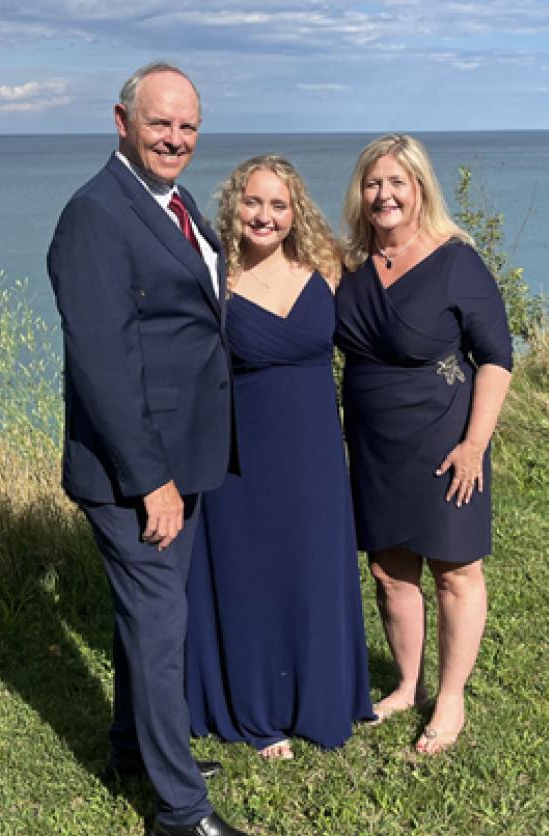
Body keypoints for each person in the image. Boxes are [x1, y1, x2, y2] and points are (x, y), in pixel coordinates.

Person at [46, 61, 251, 836]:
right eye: (161, 123)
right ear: (122, 121)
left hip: (178, 454)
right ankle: (180, 812)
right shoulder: (95, 215)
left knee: (150, 620)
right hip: (138, 472)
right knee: (163, 627)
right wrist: (151, 481)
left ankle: (135, 747)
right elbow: (102, 363)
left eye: (189, 127)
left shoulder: (176, 203)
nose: (177, 138)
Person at [185, 156, 375, 761]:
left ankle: (321, 697)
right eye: (254, 203)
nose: (265, 216)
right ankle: (260, 711)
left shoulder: (329, 266)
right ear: (235, 206)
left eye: (279, 205)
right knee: (253, 577)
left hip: (316, 454)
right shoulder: (215, 278)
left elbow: (402, 264)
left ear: (297, 213)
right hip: (242, 460)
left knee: (313, 570)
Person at [333, 134, 514, 755]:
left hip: (445, 438)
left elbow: (495, 358)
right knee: (388, 570)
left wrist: (474, 444)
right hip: (374, 440)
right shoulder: (347, 264)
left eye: (396, 183)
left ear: (419, 190)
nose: (383, 194)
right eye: (372, 183)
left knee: (456, 569)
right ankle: (406, 685)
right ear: (360, 193)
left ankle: (452, 696)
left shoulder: (455, 259)